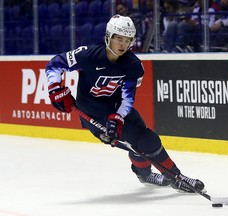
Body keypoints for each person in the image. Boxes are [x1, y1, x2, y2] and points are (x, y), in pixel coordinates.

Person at [45, 14, 205, 193]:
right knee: (147, 140)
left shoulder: (134, 65)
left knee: (140, 140)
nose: (123, 44)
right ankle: (177, 178)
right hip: (93, 115)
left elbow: (127, 98)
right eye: (119, 39)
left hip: (117, 110)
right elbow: (54, 65)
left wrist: (118, 117)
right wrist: (55, 89)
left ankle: (143, 174)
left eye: (127, 40)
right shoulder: (88, 55)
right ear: (108, 37)